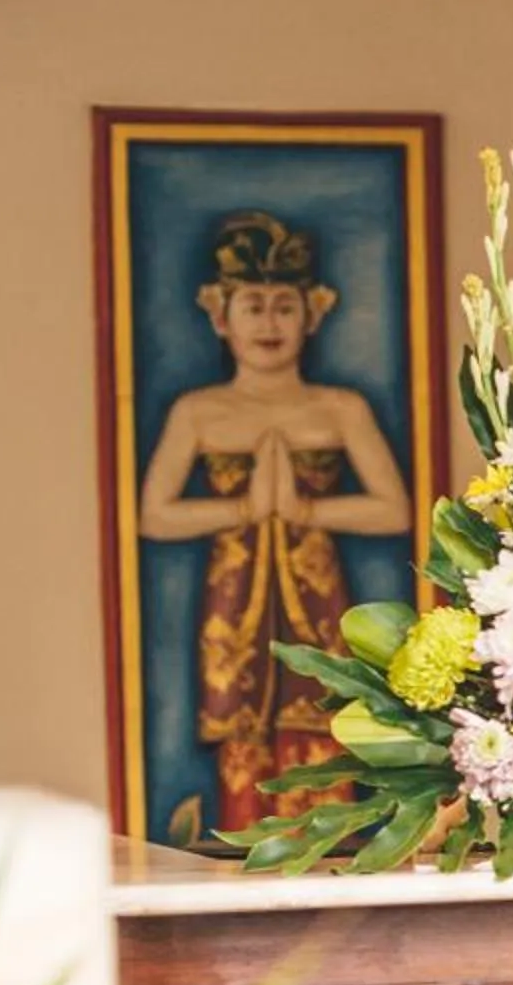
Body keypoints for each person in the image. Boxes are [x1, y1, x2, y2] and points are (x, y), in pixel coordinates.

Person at [138, 210, 412, 832]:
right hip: (232, 603)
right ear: (220, 316)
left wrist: (306, 510)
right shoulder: (198, 412)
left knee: (324, 723)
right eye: (253, 306)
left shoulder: (340, 409)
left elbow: (392, 507)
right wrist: (242, 510)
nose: (269, 323)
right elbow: (154, 516)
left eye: (284, 306)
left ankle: (330, 850)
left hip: (318, 595)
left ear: (312, 314)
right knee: (244, 736)